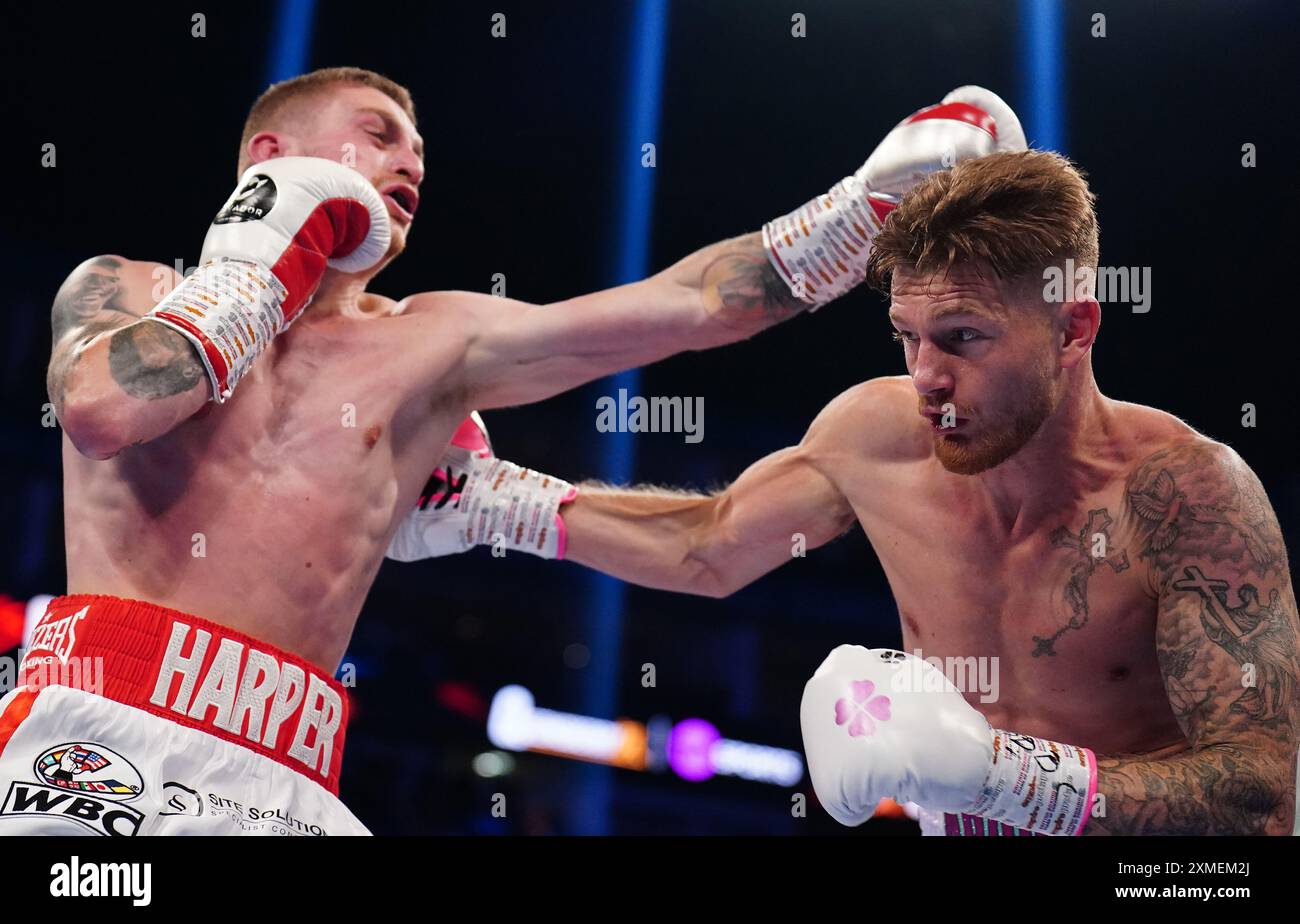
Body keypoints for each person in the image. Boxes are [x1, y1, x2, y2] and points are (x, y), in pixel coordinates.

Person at [0, 66, 1017, 834]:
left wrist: (870, 205)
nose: (408, 164)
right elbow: (102, 407)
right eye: (379, 136)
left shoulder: (431, 345)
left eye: (420, 155)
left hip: (289, 780)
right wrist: (258, 261)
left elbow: (688, 305)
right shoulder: (130, 287)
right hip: (100, 734)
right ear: (269, 156)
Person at [415, 149, 1298, 835]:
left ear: (1073, 327)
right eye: (906, 336)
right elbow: (709, 545)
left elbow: (1261, 798)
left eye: (963, 338)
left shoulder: (1187, 496)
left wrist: (1007, 777)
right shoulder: (879, 436)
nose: (926, 377)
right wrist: (498, 504)